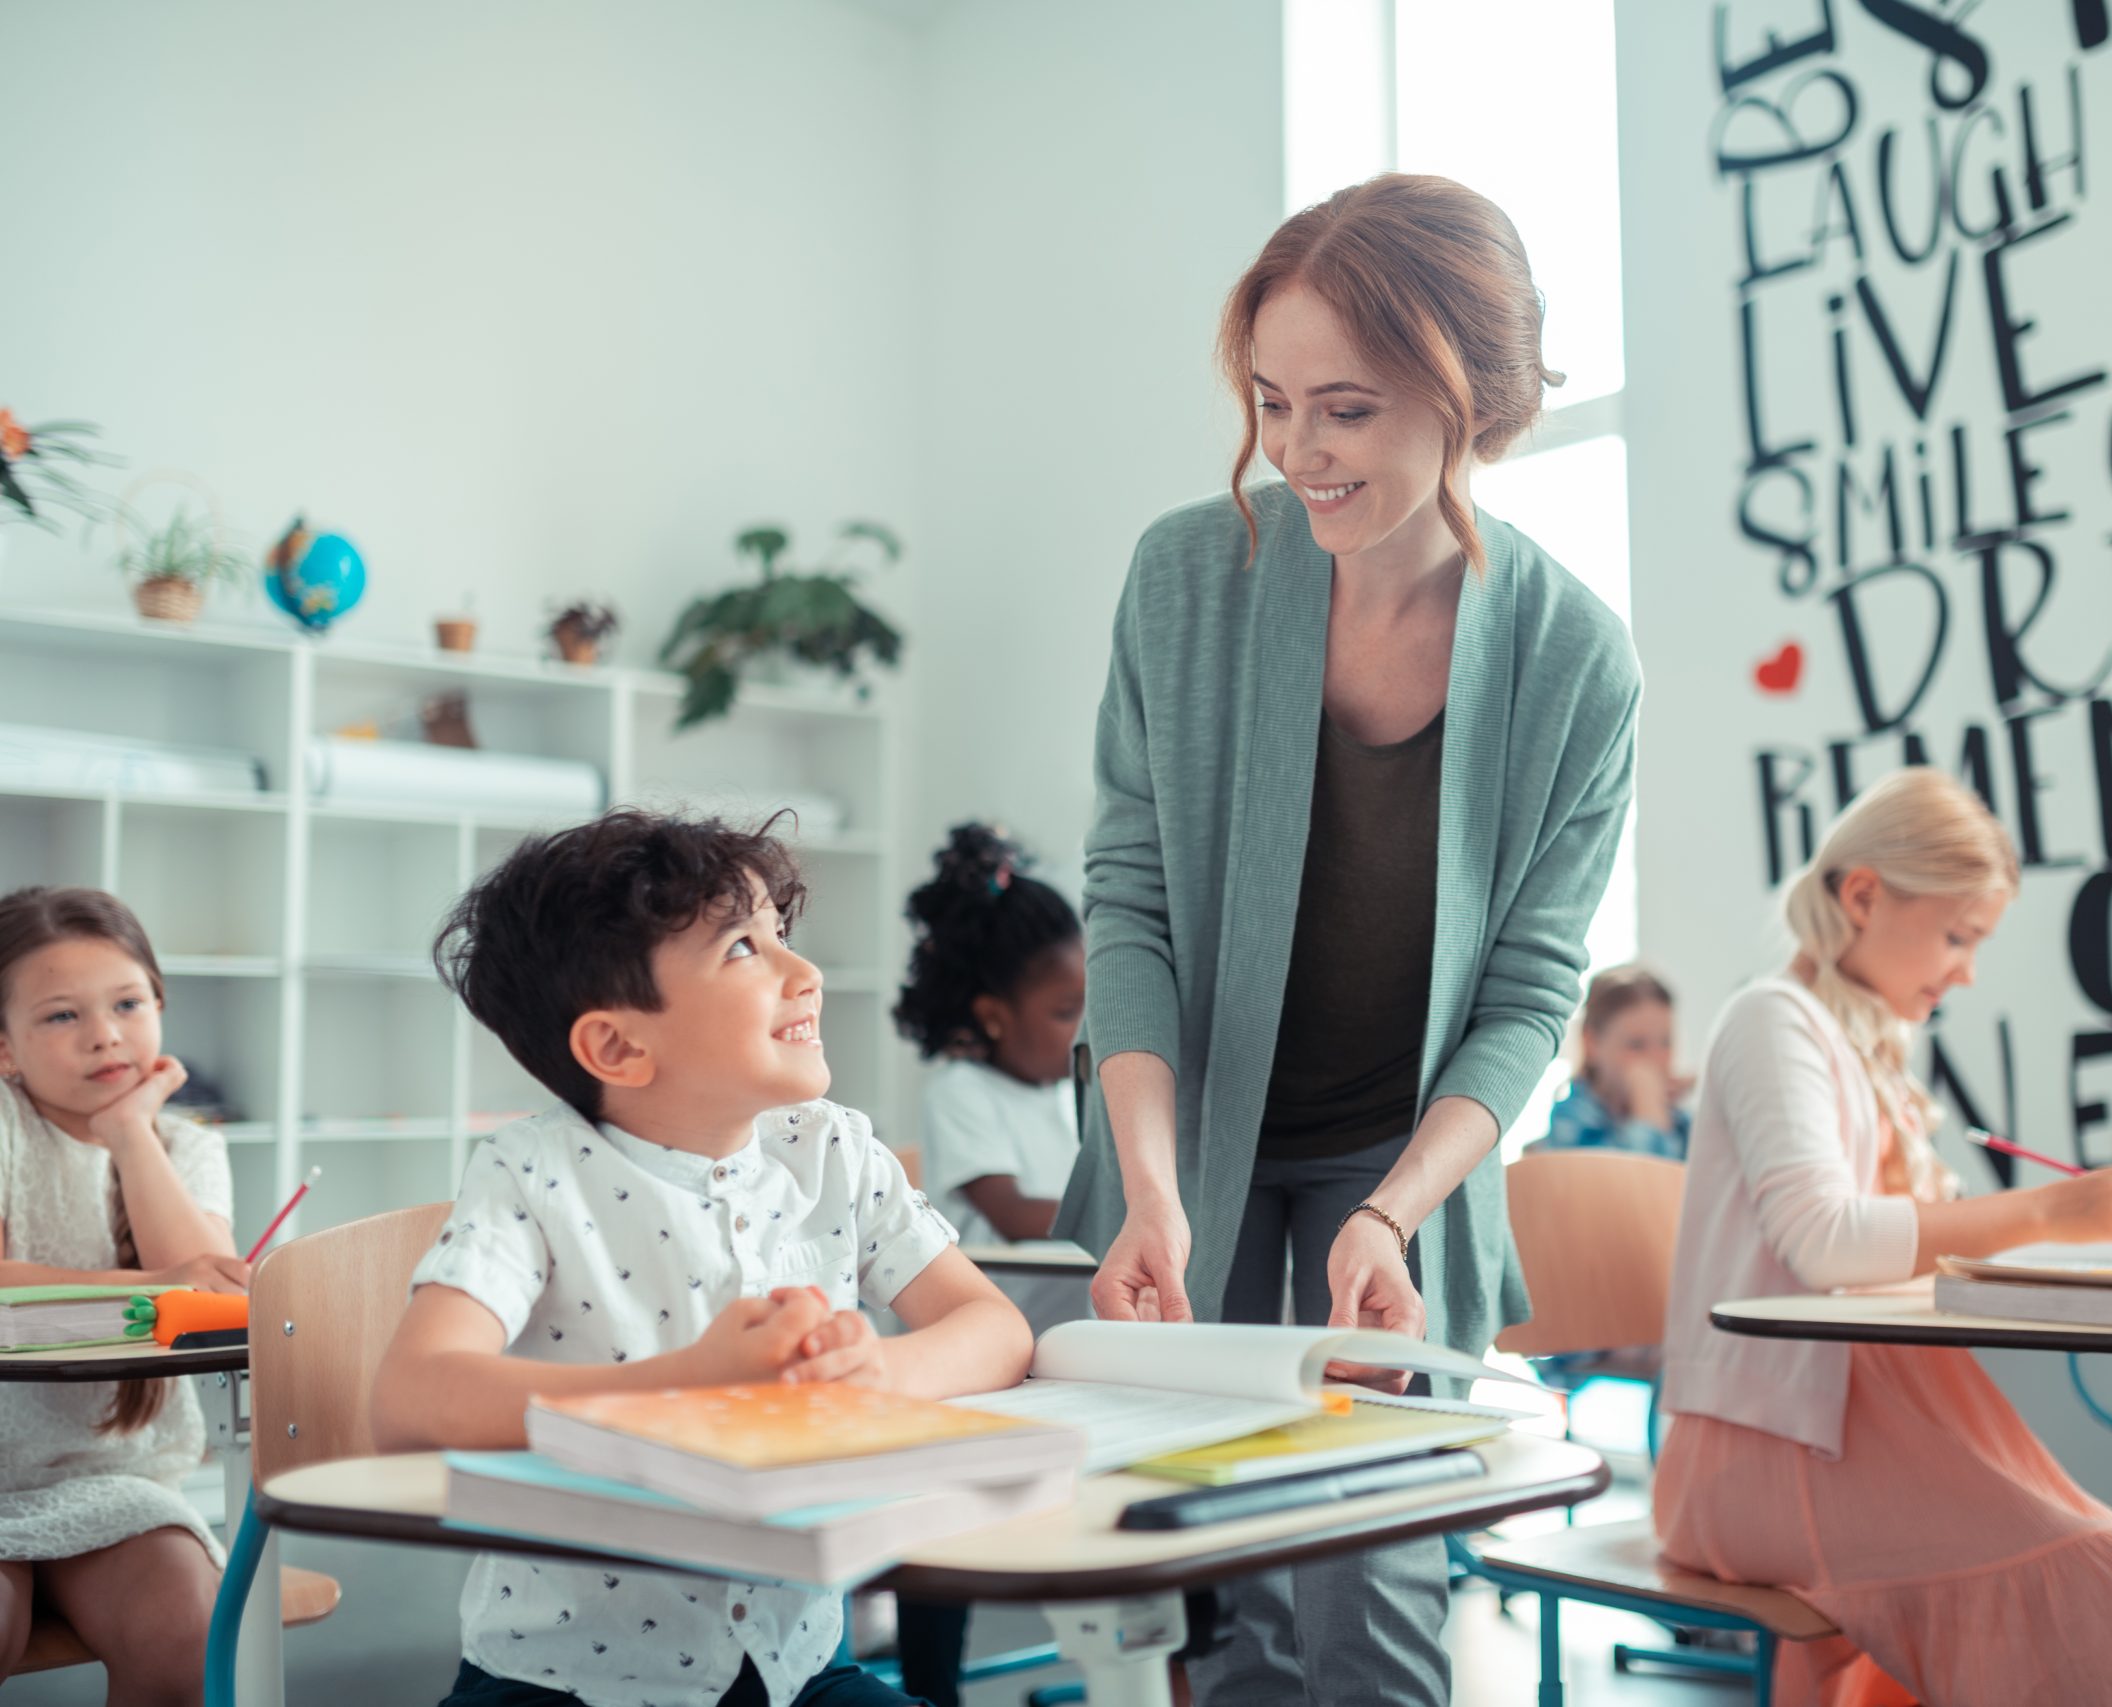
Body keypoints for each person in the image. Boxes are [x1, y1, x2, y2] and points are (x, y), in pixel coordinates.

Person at [1051, 172, 1641, 1707]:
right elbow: (1133, 898)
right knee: (1214, 1598)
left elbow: (1527, 992)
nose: (1296, 452)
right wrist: (1156, 1186)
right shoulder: (1190, 574)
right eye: (1270, 402)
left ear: (1474, 404)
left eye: (1347, 410)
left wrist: (1389, 1213)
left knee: (1366, 1593)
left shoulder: (1578, 658)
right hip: (1187, 1148)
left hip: (1403, 1163)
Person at [369, 811, 1032, 1707]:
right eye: (744, 950)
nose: (806, 973)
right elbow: (411, 1402)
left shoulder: (832, 1150)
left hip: (798, 1671)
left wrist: (877, 1371)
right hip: (566, 1682)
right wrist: (687, 1386)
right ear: (618, 1046)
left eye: (781, 933)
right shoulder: (535, 1172)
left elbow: (992, 1325)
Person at [1654, 768, 2112, 1707]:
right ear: (1862, 895)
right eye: (1958, 935)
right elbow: (1827, 1241)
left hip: (1853, 1423)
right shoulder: (1773, 1020)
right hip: (1769, 1445)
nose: (1968, 969)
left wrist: (2073, 1237)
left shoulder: (1854, 1041)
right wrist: (2048, 1212)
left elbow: (1898, 1246)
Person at [0, 886, 246, 1702]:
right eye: (61, 1016)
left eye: (128, 1003)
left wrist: (132, 1131)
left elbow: (208, 1294)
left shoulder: (185, 1144)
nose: (106, 1033)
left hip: (116, 1475)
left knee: (184, 1632)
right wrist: (151, 1285)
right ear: (5, 1049)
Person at [888, 822, 1086, 1707]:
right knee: (946, 1531)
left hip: (1058, 1343)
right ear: (994, 1014)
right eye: (1064, 1010)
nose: (1082, 1028)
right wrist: (1120, 1211)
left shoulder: (1073, 1093)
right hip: (968, 1355)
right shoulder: (964, 1094)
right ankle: (933, 1689)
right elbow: (1008, 1210)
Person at [1531, 963, 1692, 1159]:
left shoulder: (1680, 1120)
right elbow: (1634, 1184)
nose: (1655, 1059)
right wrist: (1649, 1106)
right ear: (1592, 1044)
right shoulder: (1572, 1117)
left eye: (1666, 1043)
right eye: (1636, 1045)